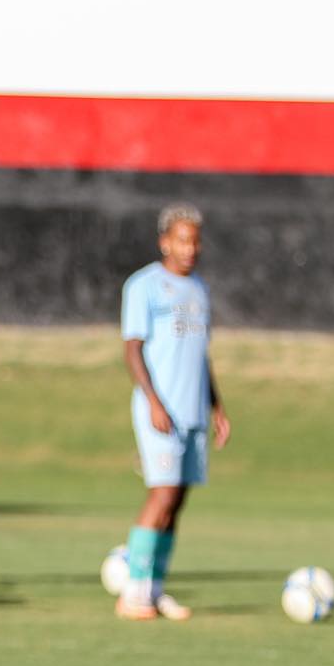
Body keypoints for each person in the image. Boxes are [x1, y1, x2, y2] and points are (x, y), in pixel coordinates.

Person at [116, 203, 231, 622]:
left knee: (177, 501)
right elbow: (132, 348)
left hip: (193, 410)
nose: (190, 248)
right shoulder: (144, 285)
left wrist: (216, 405)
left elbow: (201, 355)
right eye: (182, 239)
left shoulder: (199, 289)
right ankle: (133, 592)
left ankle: (156, 587)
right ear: (165, 242)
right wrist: (153, 401)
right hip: (159, 411)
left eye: (196, 240)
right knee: (161, 494)